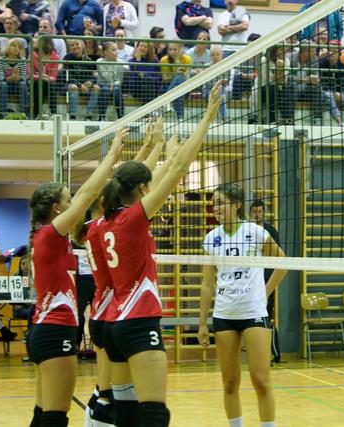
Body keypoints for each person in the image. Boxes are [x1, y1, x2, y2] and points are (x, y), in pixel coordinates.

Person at [98, 84, 223, 427]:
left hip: (113, 325)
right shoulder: (134, 218)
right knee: (154, 414)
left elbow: (125, 178)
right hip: (139, 322)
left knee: (126, 413)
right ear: (142, 191)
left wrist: (153, 146)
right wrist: (209, 115)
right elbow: (180, 167)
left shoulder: (100, 224)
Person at [26, 127, 127, 427]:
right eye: (68, 201)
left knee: (43, 413)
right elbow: (89, 194)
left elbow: (86, 200)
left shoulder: (45, 237)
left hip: (45, 329)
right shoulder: (50, 233)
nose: (74, 206)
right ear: (57, 209)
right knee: (55, 418)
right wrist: (112, 154)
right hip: (55, 332)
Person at [75, 124, 166, 427]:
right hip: (114, 310)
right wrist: (157, 148)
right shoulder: (112, 224)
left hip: (104, 312)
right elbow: (129, 182)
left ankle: (98, 414)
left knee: (112, 393)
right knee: (112, 397)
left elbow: (127, 179)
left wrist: (150, 150)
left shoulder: (92, 228)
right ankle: (97, 419)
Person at [199, 183, 287, 427]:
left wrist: (265, 293)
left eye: (222, 202)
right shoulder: (211, 239)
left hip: (253, 312)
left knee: (261, 378)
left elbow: (283, 263)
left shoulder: (256, 232)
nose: (217, 208)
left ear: (237, 205)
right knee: (229, 382)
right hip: (224, 314)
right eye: (214, 203)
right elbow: (207, 284)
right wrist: (202, 323)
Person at [249, 199, 281, 364]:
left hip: (267, 281)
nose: (257, 215)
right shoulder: (246, 231)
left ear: (264, 213)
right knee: (252, 318)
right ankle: (258, 353)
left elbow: (278, 257)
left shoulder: (270, 231)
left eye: (259, 212)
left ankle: (274, 353)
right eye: (254, 212)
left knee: (266, 316)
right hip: (250, 281)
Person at [64, 38, 99, 121]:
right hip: (72, 84)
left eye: (77, 44)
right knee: (73, 87)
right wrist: (80, 85)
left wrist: (90, 82)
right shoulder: (67, 58)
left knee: (97, 88)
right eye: (72, 45)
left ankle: (88, 116)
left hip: (86, 86)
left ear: (83, 46)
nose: (75, 46)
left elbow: (94, 75)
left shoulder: (89, 60)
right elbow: (67, 75)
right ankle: (73, 117)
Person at [0, 38, 29, 117]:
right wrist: (7, 78)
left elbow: (24, 76)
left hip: (17, 85)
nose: (16, 48)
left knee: (23, 84)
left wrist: (19, 78)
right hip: (5, 85)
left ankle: (25, 114)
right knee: (3, 84)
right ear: (8, 47)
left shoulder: (23, 60)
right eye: (13, 46)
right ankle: (3, 114)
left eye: (18, 47)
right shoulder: (0, 60)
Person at [159, 42, 192, 121]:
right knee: (178, 88)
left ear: (181, 50)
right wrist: (175, 74)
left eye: (175, 49)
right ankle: (180, 118)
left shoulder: (187, 59)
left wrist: (177, 61)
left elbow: (187, 77)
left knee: (180, 78)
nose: (172, 52)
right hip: (168, 85)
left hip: (185, 87)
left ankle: (168, 100)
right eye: (170, 49)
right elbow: (165, 78)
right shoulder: (164, 60)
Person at [97, 41, 128, 120]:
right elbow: (106, 77)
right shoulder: (99, 62)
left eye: (116, 49)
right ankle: (102, 117)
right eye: (113, 50)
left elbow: (119, 79)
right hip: (103, 84)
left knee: (117, 89)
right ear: (105, 52)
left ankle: (120, 116)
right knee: (105, 89)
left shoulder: (120, 62)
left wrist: (113, 84)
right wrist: (111, 62)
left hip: (115, 85)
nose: (116, 52)